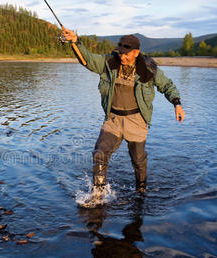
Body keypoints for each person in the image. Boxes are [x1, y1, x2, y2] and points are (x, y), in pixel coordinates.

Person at [62, 28, 185, 193]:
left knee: (138, 160)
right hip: (113, 120)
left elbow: (167, 85)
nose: (122, 56)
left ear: (136, 52)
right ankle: (98, 194)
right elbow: (87, 60)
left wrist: (177, 104)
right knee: (100, 154)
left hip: (136, 120)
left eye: (126, 53)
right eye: (120, 53)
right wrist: (75, 41)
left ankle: (141, 190)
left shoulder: (148, 68)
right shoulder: (109, 62)